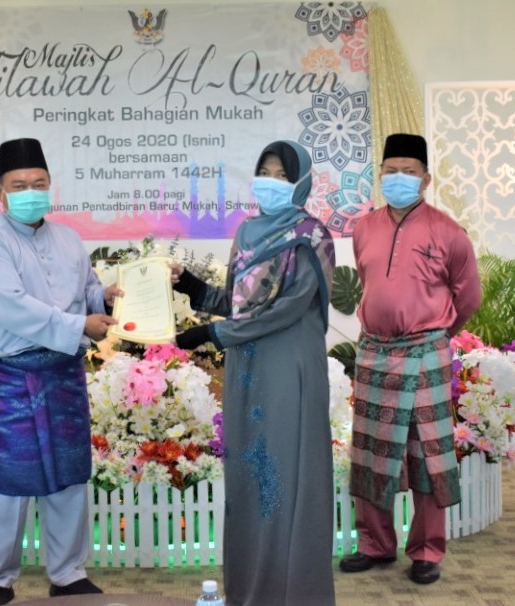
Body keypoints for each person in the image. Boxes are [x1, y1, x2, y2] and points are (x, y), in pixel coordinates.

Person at [171, 140, 337, 606]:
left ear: (301, 182)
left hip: (289, 365)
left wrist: (214, 334)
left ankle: (295, 593)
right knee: (250, 476)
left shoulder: (311, 236)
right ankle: (251, 591)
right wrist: (194, 288)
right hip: (248, 365)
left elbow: (287, 309)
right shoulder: (247, 233)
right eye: (265, 172)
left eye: (283, 175)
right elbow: (241, 304)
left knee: (286, 473)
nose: (271, 182)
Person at [0, 138, 118, 606]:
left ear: (50, 186)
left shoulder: (68, 239)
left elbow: (85, 291)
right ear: (0, 191)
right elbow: (13, 308)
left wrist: (105, 298)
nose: (30, 192)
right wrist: (79, 325)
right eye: (19, 185)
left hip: (63, 372)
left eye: (38, 183)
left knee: (68, 474)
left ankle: (68, 573)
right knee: (9, 478)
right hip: (10, 376)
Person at [340, 133, 481, 585]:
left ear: (426, 178)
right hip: (374, 352)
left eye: (408, 170)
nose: (398, 178)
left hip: (425, 355)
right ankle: (375, 544)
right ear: (379, 174)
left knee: (427, 455)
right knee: (371, 452)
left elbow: (469, 297)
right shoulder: (364, 227)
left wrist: (437, 334)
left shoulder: (449, 231)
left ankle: (426, 550)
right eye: (390, 170)